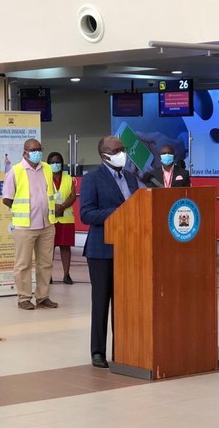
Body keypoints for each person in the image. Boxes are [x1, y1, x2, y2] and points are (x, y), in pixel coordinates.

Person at [80, 136, 140, 368]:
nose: (121, 154)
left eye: (123, 149)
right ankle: (98, 351)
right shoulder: (92, 178)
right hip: (101, 249)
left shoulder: (131, 177)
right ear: (103, 154)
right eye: (116, 150)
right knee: (101, 301)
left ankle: (123, 349)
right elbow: (86, 214)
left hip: (129, 248)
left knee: (125, 302)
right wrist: (119, 213)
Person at [2, 139, 59, 310]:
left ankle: (43, 297)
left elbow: (51, 193)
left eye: (40, 149)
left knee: (46, 263)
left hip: (47, 224)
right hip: (25, 226)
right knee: (23, 264)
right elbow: (7, 198)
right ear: (25, 152)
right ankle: (24, 298)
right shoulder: (16, 171)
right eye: (34, 150)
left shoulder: (47, 168)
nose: (37, 153)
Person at [47, 152, 76, 284]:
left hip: (66, 219)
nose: (55, 164)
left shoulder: (68, 178)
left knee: (65, 247)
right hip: (50, 218)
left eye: (57, 162)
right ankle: (48, 275)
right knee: (49, 248)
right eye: (52, 162)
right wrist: (54, 207)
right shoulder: (45, 178)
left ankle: (66, 275)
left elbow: (73, 196)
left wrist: (62, 207)